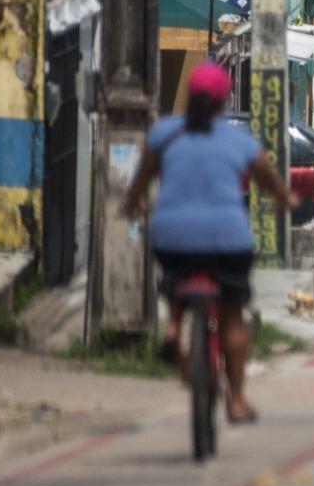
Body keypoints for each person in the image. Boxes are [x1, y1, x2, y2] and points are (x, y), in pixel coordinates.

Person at [120, 61, 296, 425]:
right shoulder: (239, 140)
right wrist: (285, 199)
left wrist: (131, 203)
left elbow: (140, 181)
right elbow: (270, 182)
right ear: (224, 100)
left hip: (172, 235)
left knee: (174, 276)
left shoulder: (164, 133)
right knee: (232, 317)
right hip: (227, 238)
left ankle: (173, 327)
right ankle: (237, 401)